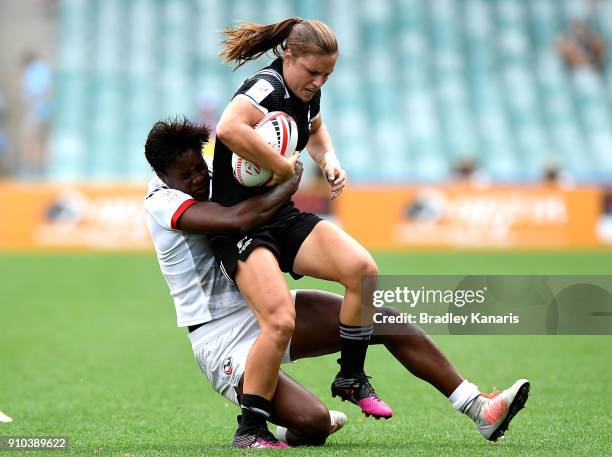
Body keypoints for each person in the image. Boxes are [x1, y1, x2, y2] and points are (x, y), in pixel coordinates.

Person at [144, 118, 530, 448]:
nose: (198, 178)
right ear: (163, 176)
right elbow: (236, 221)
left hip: (266, 305)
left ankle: (478, 407)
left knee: (383, 319)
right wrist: (287, 181)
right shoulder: (161, 202)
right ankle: (273, 424)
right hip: (220, 336)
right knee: (312, 425)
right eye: (186, 174)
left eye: (200, 167)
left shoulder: (211, 177)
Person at [209, 17, 391, 444]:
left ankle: (350, 377)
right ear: (288, 56)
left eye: (327, 74)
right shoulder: (265, 87)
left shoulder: (308, 92)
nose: (319, 81)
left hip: (281, 216)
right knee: (280, 321)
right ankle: (250, 431)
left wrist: (329, 161)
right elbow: (229, 128)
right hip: (241, 222)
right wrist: (280, 165)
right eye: (313, 72)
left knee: (362, 271)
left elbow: (316, 129)